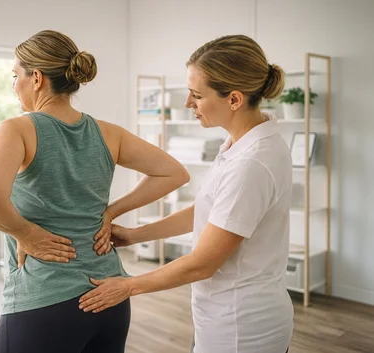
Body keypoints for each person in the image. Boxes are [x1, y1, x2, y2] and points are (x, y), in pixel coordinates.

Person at [0, 30, 189, 353]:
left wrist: (27, 234)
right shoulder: (108, 133)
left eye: (14, 76)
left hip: (43, 302)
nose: (14, 85)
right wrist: (112, 211)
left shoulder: (15, 130)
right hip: (109, 297)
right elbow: (174, 173)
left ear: (36, 79)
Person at [81, 34, 294, 353]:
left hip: (240, 328)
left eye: (196, 95)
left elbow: (202, 264)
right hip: (225, 314)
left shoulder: (252, 163)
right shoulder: (241, 142)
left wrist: (128, 286)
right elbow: (210, 211)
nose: (187, 104)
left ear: (234, 99)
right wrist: (137, 235)